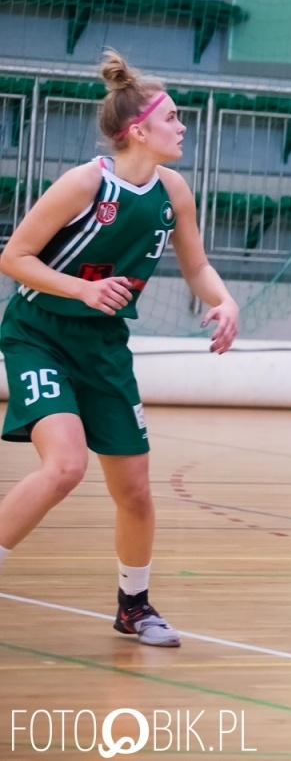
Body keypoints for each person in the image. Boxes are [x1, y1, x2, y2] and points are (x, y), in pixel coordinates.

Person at [0, 49, 240, 647]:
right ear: (138, 130)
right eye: (174, 118)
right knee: (65, 466)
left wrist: (224, 301)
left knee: (134, 489)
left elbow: (198, 266)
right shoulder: (85, 183)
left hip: (105, 347)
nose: (183, 127)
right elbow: (13, 258)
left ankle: (133, 606)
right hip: (40, 335)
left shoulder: (174, 191)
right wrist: (81, 288)